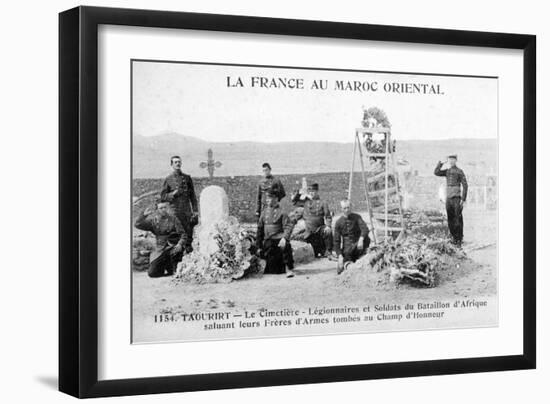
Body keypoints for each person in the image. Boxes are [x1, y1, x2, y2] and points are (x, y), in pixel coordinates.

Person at [134, 201, 187, 278]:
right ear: (157, 210)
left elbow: (183, 234)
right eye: (161, 208)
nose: (163, 209)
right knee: (152, 273)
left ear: (167, 208)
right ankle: (163, 267)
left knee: (174, 270)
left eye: (165, 207)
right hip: (160, 249)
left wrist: (180, 244)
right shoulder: (153, 221)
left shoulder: (173, 219)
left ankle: (171, 267)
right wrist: (143, 216)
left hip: (173, 247)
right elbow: (137, 224)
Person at [160, 156, 198, 251]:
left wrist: (195, 210)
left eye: (179, 162)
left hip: (187, 210)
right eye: (175, 162)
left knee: (189, 231)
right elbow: (163, 196)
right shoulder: (168, 179)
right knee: (178, 232)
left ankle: (188, 253)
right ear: (171, 165)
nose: (178, 164)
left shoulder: (187, 178)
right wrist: (172, 194)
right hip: (175, 210)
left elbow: (192, 196)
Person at [256, 190, 295, 277]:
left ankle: (288, 268)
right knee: (270, 269)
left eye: (270, 198)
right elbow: (260, 229)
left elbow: (288, 227)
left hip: (279, 239)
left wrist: (284, 238)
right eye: (267, 198)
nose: (267, 200)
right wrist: (258, 245)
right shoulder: (264, 212)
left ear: (276, 199)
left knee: (285, 246)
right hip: (268, 241)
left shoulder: (282, 212)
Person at [434, 155, 468, 246]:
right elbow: (436, 172)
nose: (451, 161)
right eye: (450, 159)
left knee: (458, 219)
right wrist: (441, 163)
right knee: (450, 219)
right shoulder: (447, 171)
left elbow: (465, 185)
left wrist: (463, 199)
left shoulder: (460, 171)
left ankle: (459, 239)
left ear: (456, 160)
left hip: (457, 199)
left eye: (453, 159)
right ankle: (453, 238)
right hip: (448, 199)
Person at [291, 183, 333, 257]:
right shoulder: (305, 202)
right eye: (310, 192)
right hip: (308, 232)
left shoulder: (323, 203)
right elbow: (294, 201)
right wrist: (298, 192)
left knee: (328, 231)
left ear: (317, 191)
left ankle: (328, 251)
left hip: (319, 230)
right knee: (294, 237)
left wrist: (328, 226)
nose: (311, 193)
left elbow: (328, 216)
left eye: (313, 191)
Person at [333, 199, 370, 274]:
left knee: (366, 239)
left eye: (348, 207)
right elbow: (336, 241)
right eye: (344, 208)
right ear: (341, 209)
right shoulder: (338, 222)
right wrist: (339, 256)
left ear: (351, 207)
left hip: (358, 246)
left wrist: (361, 239)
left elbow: (365, 229)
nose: (347, 210)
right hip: (347, 250)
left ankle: (362, 257)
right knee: (341, 269)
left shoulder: (357, 217)